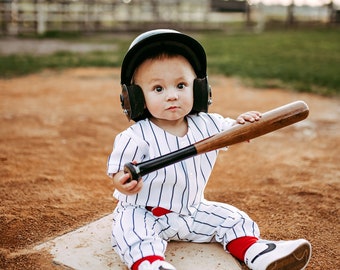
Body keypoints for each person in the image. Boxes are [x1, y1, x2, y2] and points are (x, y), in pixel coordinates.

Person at [107, 29, 311, 270]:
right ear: (135, 98)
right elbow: (119, 174)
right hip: (145, 212)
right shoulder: (135, 136)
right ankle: (151, 264)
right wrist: (124, 183)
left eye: (181, 85)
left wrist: (243, 123)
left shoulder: (208, 124)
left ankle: (256, 251)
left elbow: (235, 132)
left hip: (192, 212)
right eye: (158, 89)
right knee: (131, 231)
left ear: (200, 89)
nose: (172, 96)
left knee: (232, 219)